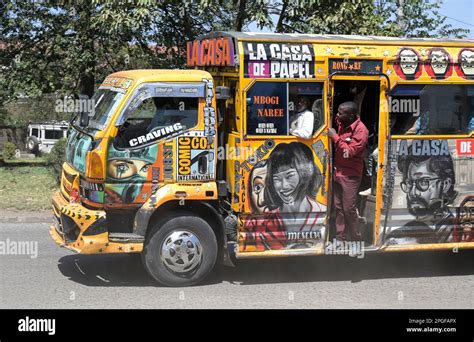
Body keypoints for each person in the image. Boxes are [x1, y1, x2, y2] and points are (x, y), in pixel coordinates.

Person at [328, 101, 369, 241]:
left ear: (351, 115)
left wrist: (335, 137)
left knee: (348, 208)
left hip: (350, 175)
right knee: (338, 207)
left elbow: (350, 151)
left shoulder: (361, 130)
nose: (337, 116)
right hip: (338, 172)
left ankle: (356, 237)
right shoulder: (342, 122)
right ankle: (340, 237)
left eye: (340, 113)